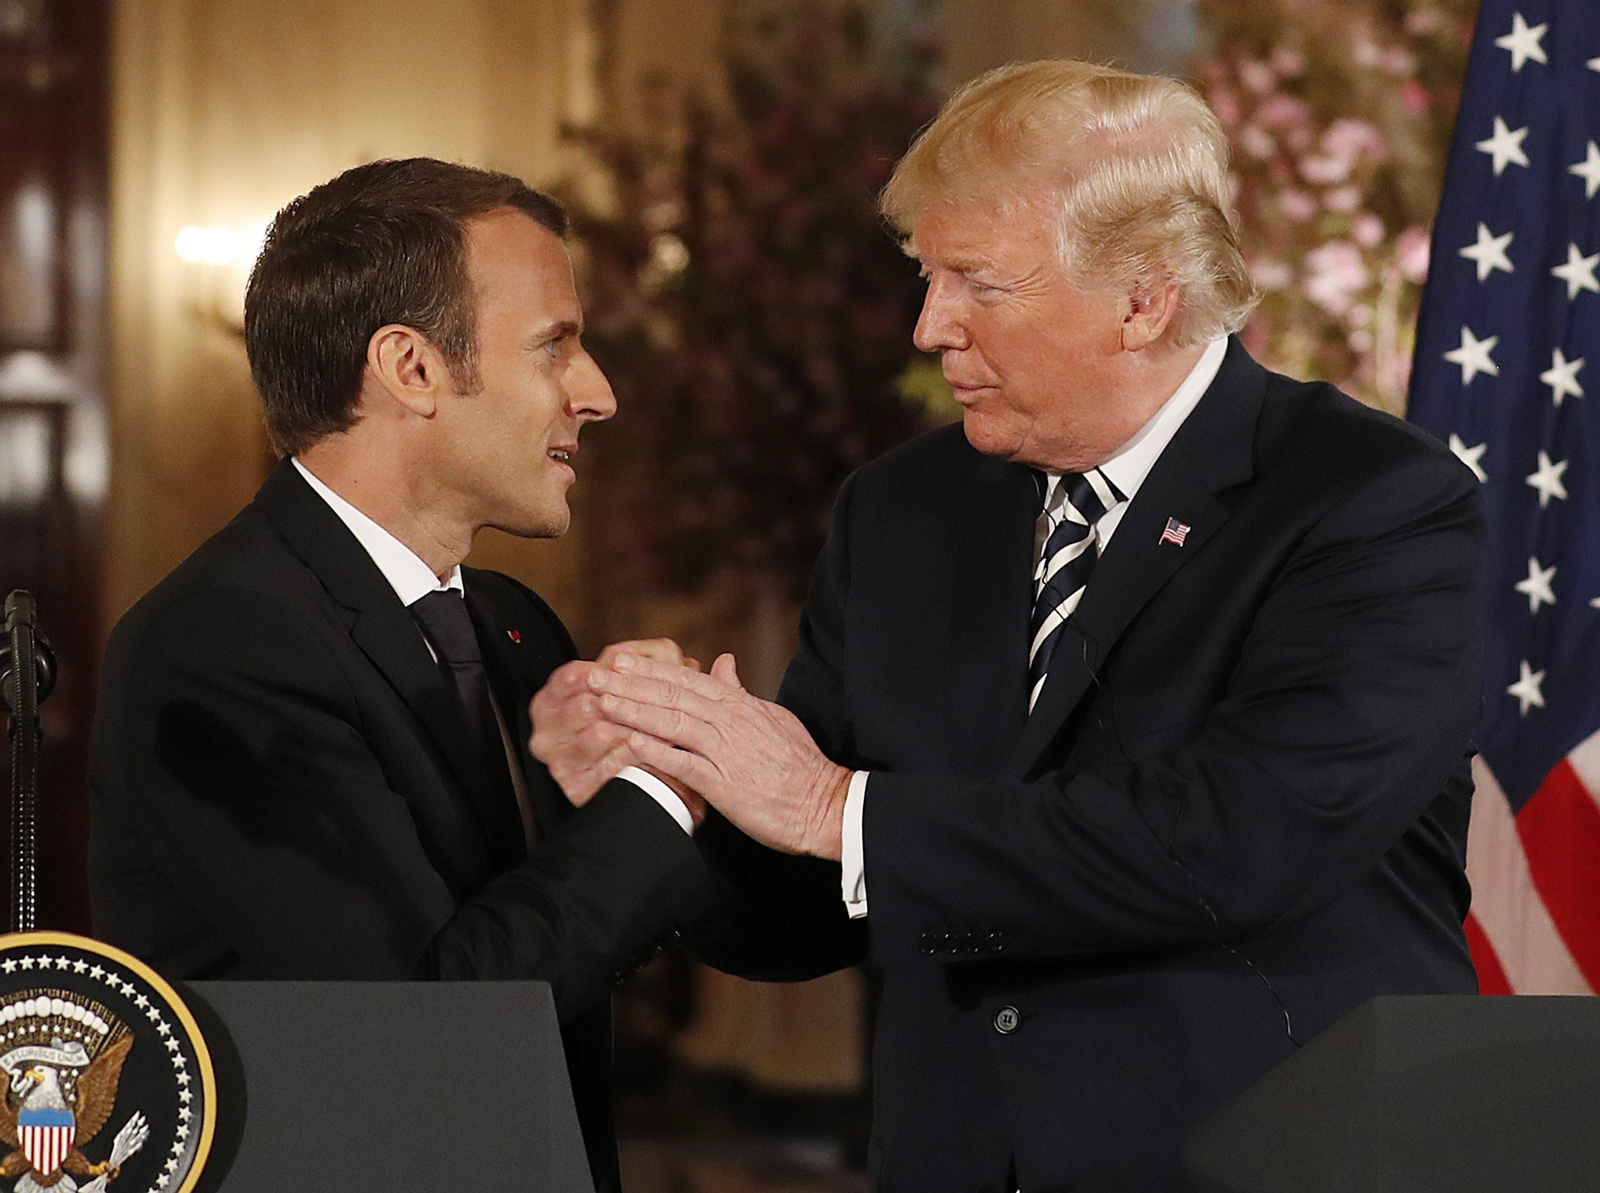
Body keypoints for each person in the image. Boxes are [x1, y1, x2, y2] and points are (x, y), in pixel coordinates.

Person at [532, 61, 1484, 1192]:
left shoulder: (1374, 502)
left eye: (977, 282)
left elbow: (1235, 843)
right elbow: (805, 898)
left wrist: (827, 803)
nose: (932, 326)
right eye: (929, 276)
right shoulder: (901, 512)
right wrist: (673, 779)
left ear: (1144, 296)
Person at [88, 158, 716, 1193]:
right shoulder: (221, 640)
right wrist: (658, 790)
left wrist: (674, 766)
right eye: (555, 344)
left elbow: (568, 927)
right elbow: (418, 1024)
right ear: (410, 368)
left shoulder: (509, 621)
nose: (597, 392)